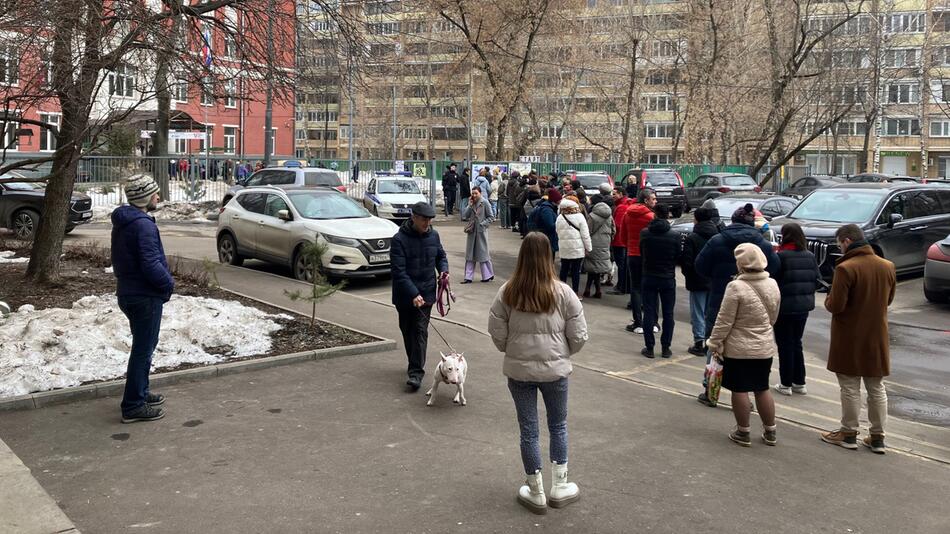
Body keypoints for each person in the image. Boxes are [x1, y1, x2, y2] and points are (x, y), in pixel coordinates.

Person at [488, 232, 588, 514]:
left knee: (528, 431)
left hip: (519, 372)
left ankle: (536, 490)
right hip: (556, 372)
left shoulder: (507, 291)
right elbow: (579, 335)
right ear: (549, 256)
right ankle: (560, 486)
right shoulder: (563, 292)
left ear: (522, 256)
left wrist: (512, 349)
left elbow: (496, 330)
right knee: (558, 425)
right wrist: (563, 353)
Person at [820, 224, 896, 454]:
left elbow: (836, 305)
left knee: (850, 385)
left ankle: (848, 432)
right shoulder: (888, 266)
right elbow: (888, 300)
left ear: (846, 241)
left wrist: (827, 299)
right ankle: (877, 437)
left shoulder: (846, 268)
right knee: (876, 387)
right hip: (877, 334)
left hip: (849, 335)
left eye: (838, 244)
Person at [695, 203, 779, 406]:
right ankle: (747, 393)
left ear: (733, 221)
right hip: (753, 306)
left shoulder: (717, 241)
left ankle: (710, 388)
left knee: (714, 345)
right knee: (748, 348)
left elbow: (700, 265)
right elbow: (776, 267)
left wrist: (716, 278)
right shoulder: (762, 244)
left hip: (720, 298)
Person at [111, 174, 174, 423]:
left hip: (129, 291)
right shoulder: (143, 225)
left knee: (143, 348)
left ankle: (141, 392)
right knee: (143, 350)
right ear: (145, 197)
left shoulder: (126, 222)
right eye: (155, 193)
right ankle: (133, 405)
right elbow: (151, 263)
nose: (158, 197)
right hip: (144, 295)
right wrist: (168, 284)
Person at [706, 244, 780, 447]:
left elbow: (724, 320)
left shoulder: (735, 287)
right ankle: (770, 431)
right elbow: (773, 316)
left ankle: (743, 431)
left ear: (741, 263)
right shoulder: (773, 283)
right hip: (764, 347)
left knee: (740, 389)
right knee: (762, 387)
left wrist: (714, 342)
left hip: (739, 348)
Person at [390, 202, 450, 391]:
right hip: (405, 295)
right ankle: (413, 363)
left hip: (427, 293)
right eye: (424, 219)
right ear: (413, 217)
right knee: (407, 330)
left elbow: (441, 256)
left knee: (419, 331)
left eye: (430, 219)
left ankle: (416, 373)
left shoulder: (434, 235)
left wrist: (443, 271)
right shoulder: (399, 240)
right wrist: (413, 293)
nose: (427, 223)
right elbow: (398, 272)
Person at [772, 222, 820, 396]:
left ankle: (785, 383)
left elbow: (772, 279)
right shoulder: (809, 255)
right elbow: (817, 279)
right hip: (803, 306)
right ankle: (799, 381)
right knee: (796, 343)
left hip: (784, 307)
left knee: (784, 344)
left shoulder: (781, 256)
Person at [638, 204, 681, 358]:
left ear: (655, 214)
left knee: (649, 311)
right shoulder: (674, 235)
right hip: (667, 277)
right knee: (668, 313)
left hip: (649, 275)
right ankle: (666, 347)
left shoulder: (645, 233)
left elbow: (641, 252)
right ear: (668, 215)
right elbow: (678, 256)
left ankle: (649, 347)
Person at [680, 204, 719, 356]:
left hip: (697, 280)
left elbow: (687, 262)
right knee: (710, 312)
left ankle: (699, 342)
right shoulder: (717, 235)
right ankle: (710, 341)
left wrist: (688, 275)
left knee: (697, 312)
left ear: (696, 220)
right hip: (713, 280)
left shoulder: (693, 238)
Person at [619, 188, 656, 334]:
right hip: (648, 256)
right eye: (653, 199)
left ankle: (638, 322)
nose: (655, 201)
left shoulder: (628, 214)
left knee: (635, 288)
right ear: (646, 200)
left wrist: (630, 246)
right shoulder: (651, 217)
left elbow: (623, 235)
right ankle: (652, 322)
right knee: (651, 288)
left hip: (633, 254)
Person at [556, 198, 591, 295]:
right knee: (576, 271)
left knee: (564, 269)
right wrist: (588, 247)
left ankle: (561, 291)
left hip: (564, 247)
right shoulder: (580, 217)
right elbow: (585, 234)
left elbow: (557, 231)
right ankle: (575, 292)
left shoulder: (560, 217)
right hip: (577, 248)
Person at [461, 188, 495, 283]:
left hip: (481, 232)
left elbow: (491, 217)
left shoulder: (485, 203)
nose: (474, 195)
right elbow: (465, 215)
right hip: (472, 232)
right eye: (473, 193)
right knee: (470, 255)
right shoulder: (472, 203)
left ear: (480, 193)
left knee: (483, 254)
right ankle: (468, 277)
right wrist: (469, 205)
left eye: (476, 193)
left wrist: (482, 224)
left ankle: (487, 275)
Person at [583, 196, 615, 299]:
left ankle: (591, 290)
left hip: (593, 243)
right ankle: (596, 290)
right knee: (596, 267)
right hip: (605, 243)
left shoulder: (592, 216)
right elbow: (614, 230)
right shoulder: (609, 216)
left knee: (593, 266)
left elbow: (587, 230)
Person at [607, 186, 633, 295]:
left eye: (615, 194)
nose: (612, 196)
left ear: (621, 194)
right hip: (622, 240)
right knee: (623, 264)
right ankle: (623, 285)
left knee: (621, 264)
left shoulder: (622, 207)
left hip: (619, 240)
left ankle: (621, 286)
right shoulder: (625, 204)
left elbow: (618, 225)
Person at [528, 188, 561, 257]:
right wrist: (560, 223)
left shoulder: (548, 208)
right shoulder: (547, 210)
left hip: (546, 238)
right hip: (547, 239)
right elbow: (550, 225)